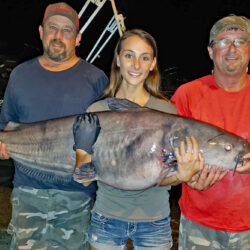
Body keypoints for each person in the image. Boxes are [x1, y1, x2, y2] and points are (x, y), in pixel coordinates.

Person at [73, 29, 204, 250]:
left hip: (154, 220)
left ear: (153, 63)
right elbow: (84, 179)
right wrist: (81, 150)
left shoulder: (167, 111)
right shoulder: (97, 111)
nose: (136, 65)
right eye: (129, 55)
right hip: (107, 216)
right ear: (117, 59)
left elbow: (172, 172)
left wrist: (183, 175)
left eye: (144, 58)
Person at [0, 2, 108, 249]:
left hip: (76, 196)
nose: (58, 36)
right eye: (52, 28)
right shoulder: (20, 75)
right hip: (28, 194)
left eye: (66, 30)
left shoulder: (97, 79)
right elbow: (6, 128)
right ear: (40, 31)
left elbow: (105, 139)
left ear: (78, 38)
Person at [171, 14, 250, 249]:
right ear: (210, 51)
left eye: (241, 40)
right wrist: (185, 177)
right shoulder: (186, 94)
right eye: (224, 41)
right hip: (199, 225)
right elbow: (164, 152)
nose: (232, 49)